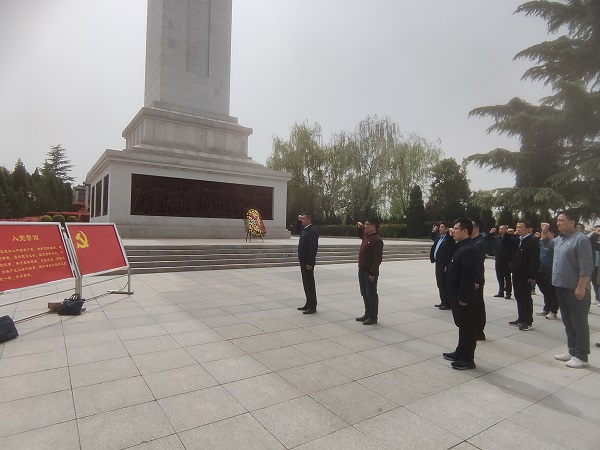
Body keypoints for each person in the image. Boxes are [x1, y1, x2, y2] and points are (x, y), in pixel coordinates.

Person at [542, 211, 593, 368]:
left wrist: (581, 287)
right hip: (561, 287)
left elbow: (586, 267)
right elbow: (546, 244)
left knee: (579, 323)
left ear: (572, 222)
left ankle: (581, 356)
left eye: (562, 220)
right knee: (568, 322)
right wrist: (544, 232)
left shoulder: (581, 240)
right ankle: (572, 351)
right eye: (557, 220)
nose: (558, 223)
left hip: (575, 289)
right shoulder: (560, 239)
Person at [442, 218, 478, 370]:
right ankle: (459, 352)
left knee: (467, 328)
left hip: (462, 296)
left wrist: (463, 297)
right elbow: (450, 249)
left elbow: (468, 276)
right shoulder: (460, 246)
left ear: (465, 231)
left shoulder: (469, 249)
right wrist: (450, 236)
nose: (453, 231)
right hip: (455, 294)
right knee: (462, 326)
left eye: (456, 229)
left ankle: (468, 359)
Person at [508, 220, 540, 331]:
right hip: (516, 272)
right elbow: (506, 244)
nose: (518, 229)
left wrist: (532, 276)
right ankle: (521, 317)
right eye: (517, 227)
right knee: (518, 296)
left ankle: (527, 320)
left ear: (528, 229)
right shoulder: (518, 240)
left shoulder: (532, 242)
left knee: (525, 297)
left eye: (521, 227)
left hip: (525, 274)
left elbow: (534, 260)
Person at [355, 218, 384, 325]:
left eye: (367, 224)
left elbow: (377, 259)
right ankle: (367, 313)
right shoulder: (366, 236)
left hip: (369, 271)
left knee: (371, 294)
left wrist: (373, 273)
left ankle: (373, 316)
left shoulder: (377, 240)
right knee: (364, 293)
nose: (365, 226)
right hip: (362, 269)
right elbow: (360, 235)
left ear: (373, 225)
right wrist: (359, 228)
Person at [296, 212, 319, 314]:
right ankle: (308, 302)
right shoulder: (305, 229)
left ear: (309, 220)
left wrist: (310, 262)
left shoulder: (312, 231)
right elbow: (297, 229)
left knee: (310, 283)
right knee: (306, 283)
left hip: (308, 261)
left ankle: (312, 306)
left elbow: (313, 248)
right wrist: (299, 220)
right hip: (303, 260)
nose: (302, 220)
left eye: (304, 219)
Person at [535, 226, 559, 320]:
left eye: (546, 233)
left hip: (550, 271)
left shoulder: (554, 244)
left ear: (552, 235)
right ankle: (546, 308)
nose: (543, 235)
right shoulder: (540, 243)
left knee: (551, 292)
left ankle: (553, 311)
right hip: (540, 270)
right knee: (545, 291)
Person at [430, 222, 454, 310]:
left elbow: (450, 252)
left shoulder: (449, 238)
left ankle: (447, 303)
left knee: (444, 284)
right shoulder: (439, 237)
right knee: (440, 283)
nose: (439, 229)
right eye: (439, 227)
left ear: (447, 229)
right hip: (438, 263)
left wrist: (447, 265)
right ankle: (443, 301)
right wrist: (434, 231)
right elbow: (432, 237)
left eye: (441, 227)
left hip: (444, 264)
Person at [471, 219, 487, 340]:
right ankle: (474, 328)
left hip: (476, 278)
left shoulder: (480, 242)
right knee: (473, 305)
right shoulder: (472, 241)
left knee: (478, 305)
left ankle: (479, 331)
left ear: (476, 229)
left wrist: (476, 280)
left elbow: (477, 262)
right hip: (472, 277)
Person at [488, 225, 513, 299]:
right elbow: (488, 238)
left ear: (506, 230)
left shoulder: (510, 238)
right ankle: (501, 291)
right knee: (499, 277)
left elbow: (509, 244)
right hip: (498, 260)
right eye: (500, 229)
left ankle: (508, 292)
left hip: (506, 261)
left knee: (507, 277)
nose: (501, 231)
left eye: (502, 229)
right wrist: (491, 232)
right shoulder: (497, 238)